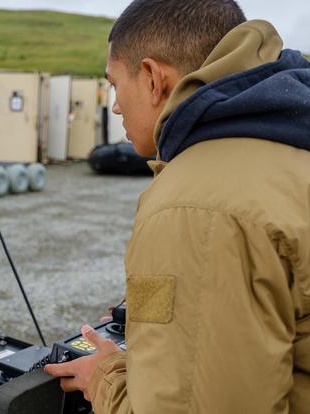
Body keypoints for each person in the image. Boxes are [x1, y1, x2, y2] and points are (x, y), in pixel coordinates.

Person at [44, 0, 310, 412]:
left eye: (115, 84)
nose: (115, 105)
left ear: (152, 78)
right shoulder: (292, 142)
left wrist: (105, 378)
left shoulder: (196, 207)